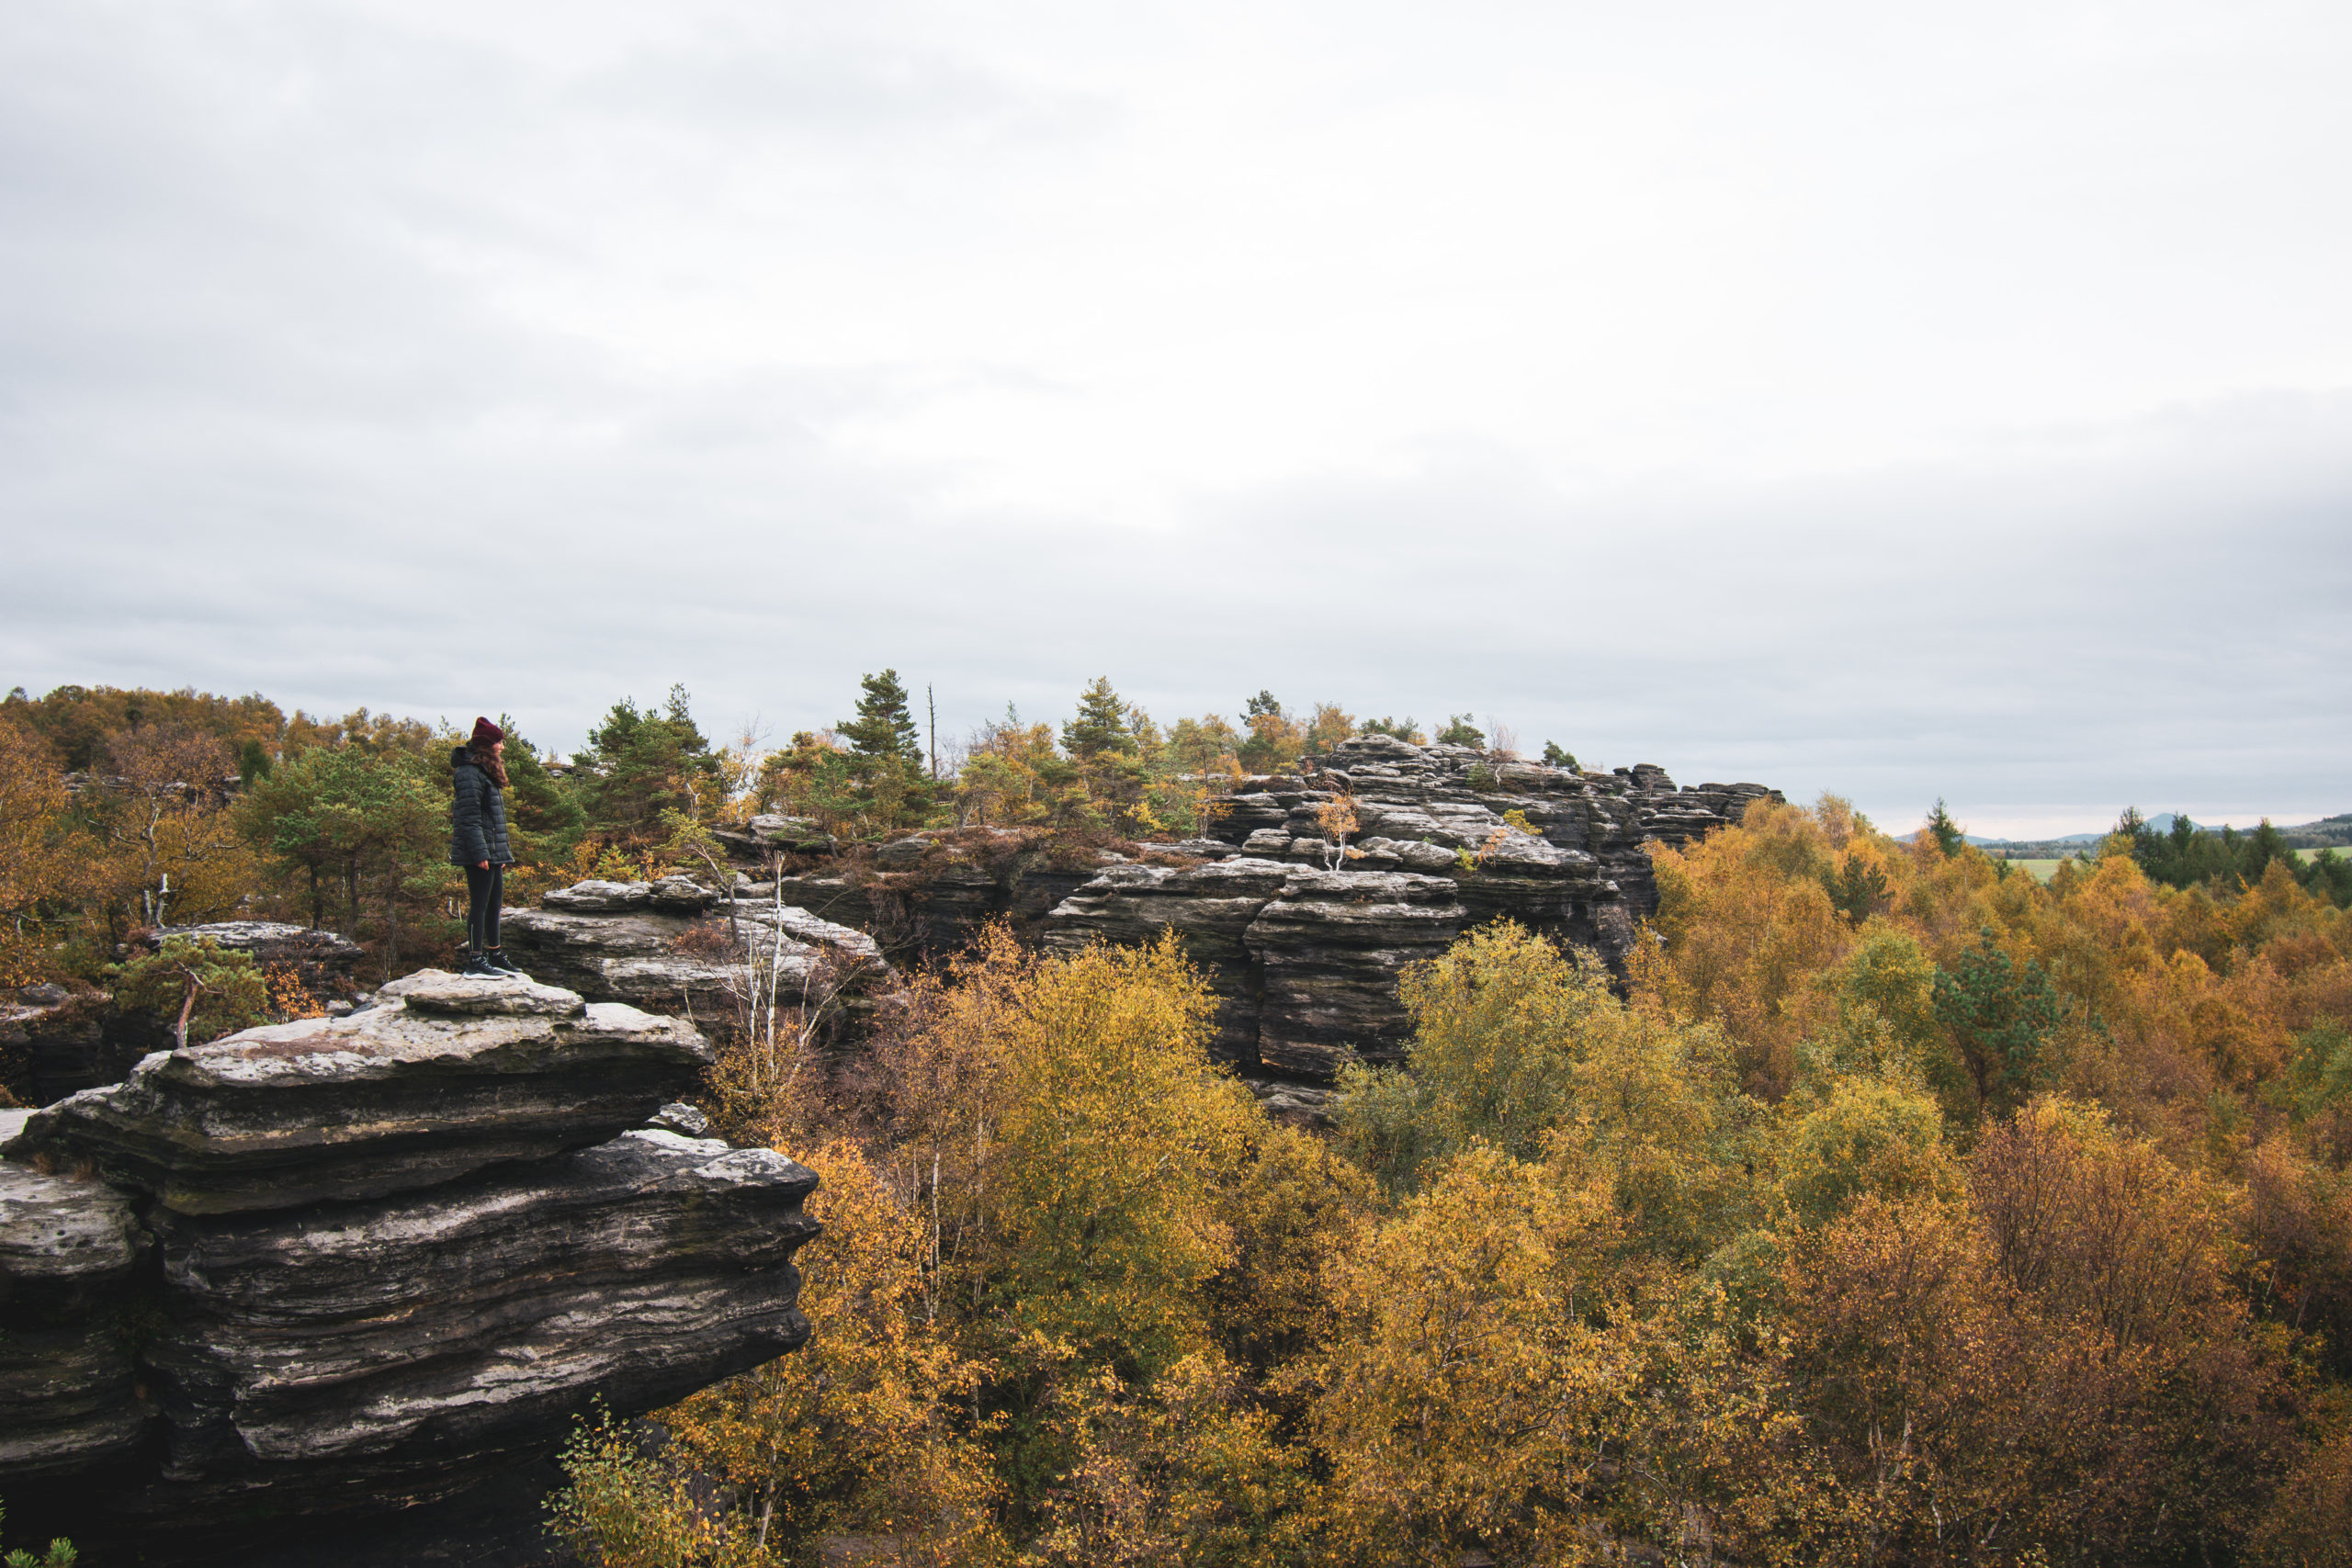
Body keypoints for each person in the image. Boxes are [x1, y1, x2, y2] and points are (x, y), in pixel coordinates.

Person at [451, 716, 526, 978]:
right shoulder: (469, 773)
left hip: (491, 851)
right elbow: (469, 818)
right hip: (477, 852)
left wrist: (499, 854)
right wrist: (481, 852)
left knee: (494, 904)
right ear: (486, 744)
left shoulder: (484, 771)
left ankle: (494, 954)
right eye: (498, 742)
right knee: (479, 906)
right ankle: (474, 960)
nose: (502, 747)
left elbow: (492, 819)